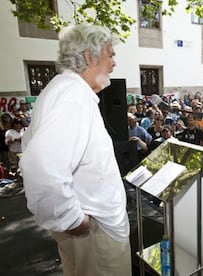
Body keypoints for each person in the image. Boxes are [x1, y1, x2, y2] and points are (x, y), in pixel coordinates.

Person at [19, 24, 132, 275]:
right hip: (94, 234)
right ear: (90, 57)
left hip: (90, 229)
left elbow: (28, 147)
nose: (114, 63)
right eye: (110, 54)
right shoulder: (74, 96)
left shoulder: (60, 89)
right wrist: (72, 220)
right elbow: (40, 166)